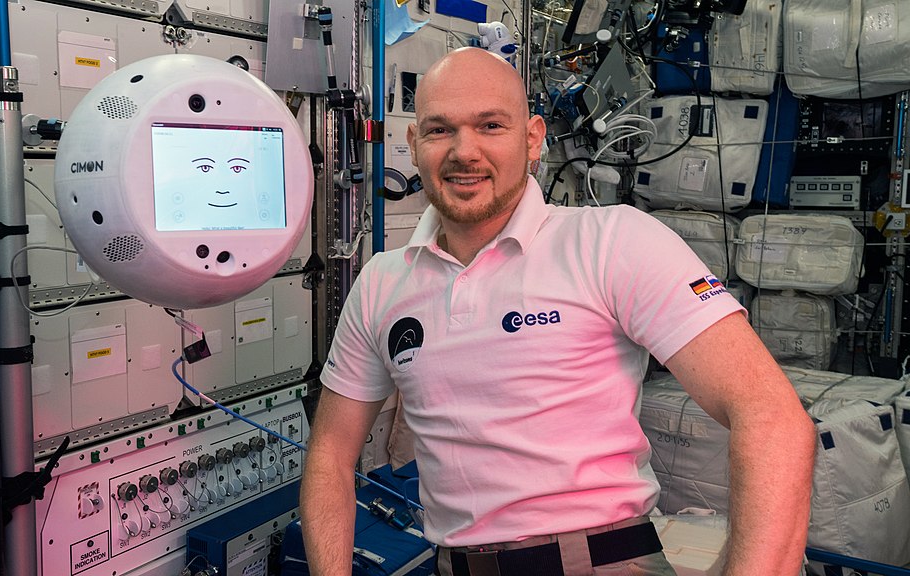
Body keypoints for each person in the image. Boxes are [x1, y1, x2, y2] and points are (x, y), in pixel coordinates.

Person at [299, 47, 815, 576]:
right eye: (439, 130)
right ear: (412, 144)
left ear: (533, 138)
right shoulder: (382, 283)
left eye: (491, 126)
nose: (464, 151)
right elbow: (331, 458)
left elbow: (771, 415)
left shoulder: (611, 242)